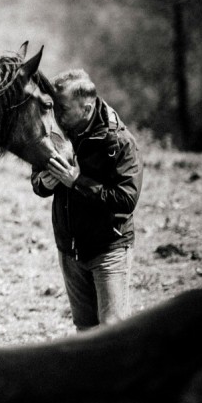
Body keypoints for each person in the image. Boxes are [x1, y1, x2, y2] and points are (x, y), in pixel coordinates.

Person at [32, 69, 143, 331]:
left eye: (64, 109)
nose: (57, 116)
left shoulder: (120, 141)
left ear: (86, 108)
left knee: (112, 333)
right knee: (84, 332)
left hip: (109, 251)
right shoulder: (56, 135)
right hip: (70, 251)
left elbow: (126, 199)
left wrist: (77, 182)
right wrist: (43, 183)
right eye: (55, 108)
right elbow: (37, 180)